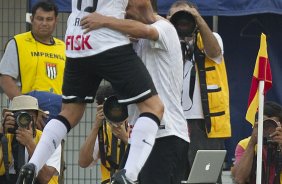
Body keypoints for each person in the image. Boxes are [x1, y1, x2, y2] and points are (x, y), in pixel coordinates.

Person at [18, 0, 164, 183]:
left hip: (75, 42)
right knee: (153, 106)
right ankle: (130, 175)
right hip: (107, 41)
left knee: (70, 113)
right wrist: (151, 18)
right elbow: (140, 3)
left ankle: (34, 163)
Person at [79, 0, 189, 183]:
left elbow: (145, 30)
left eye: (127, 7)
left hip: (166, 134)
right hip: (140, 136)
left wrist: (104, 20)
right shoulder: (135, 41)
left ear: (145, 4)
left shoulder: (164, 28)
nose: (124, 13)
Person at [167, 0, 231, 178]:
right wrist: (167, 26)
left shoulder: (211, 38)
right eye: (177, 17)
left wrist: (197, 18)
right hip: (173, 122)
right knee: (174, 175)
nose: (183, 21)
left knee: (205, 177)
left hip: (204, 123)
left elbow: (215, 52)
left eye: (187, 16)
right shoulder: (166, 41)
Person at [0, 0, 65, 130]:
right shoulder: (18, 42)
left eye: (49, 19)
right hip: (25, 114)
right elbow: (4, 79)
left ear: (56, 21)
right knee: (23, 149)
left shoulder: (64, 48)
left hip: (56, 113)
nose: (44, 23)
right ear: (31, 19)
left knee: (55, 150)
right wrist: (28, 108)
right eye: (40, 19)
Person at [0, 95, 61, 184]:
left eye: (28, 116)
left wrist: (30, 144)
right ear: (11, 116)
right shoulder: (5, 136)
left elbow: (45, 178)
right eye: (19, 115)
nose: (23, 121)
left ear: (37, 118)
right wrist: (2, 134)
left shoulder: (50, 141)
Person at [78, 84, 128, 184]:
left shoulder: (136, 124)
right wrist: (95, 127)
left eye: (116, 107)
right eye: (109, 108)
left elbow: (151, 160)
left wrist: (125, 138)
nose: (114, 111)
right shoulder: (102, 130)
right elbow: (83, 162)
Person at [231, 101, 282, 184]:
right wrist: (252, 143)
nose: (268, 129)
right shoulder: (245, 144)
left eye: (273, 124)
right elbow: (239, 179)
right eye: (265, 124)